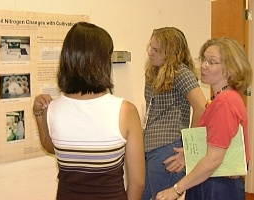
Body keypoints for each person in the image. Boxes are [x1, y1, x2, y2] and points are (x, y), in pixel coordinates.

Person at [33, 22, 145, 200]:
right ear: (102, 61)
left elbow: (52, 147)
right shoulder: (125, 111)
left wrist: (38, 114)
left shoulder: (53, 108)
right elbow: (138, 181)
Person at [156, 37, 252, 200]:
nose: (204, 66)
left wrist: (176, 190)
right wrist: (191, 155)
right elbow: (219, 145)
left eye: (212, 62)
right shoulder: (221, 99)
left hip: (216, 186)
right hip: (212, 182)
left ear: (230, 69)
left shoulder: (225, 102)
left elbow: (214, 159)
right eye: (204, 60)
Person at [142, 27, 206, 200]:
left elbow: (201, 108)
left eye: (156, 50)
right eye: (150, 47)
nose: (150, 53)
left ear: (170, 53)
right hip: (150, 148)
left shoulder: (181, 73)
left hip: (168, 148)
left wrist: (188, 149)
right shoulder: (154, 72)